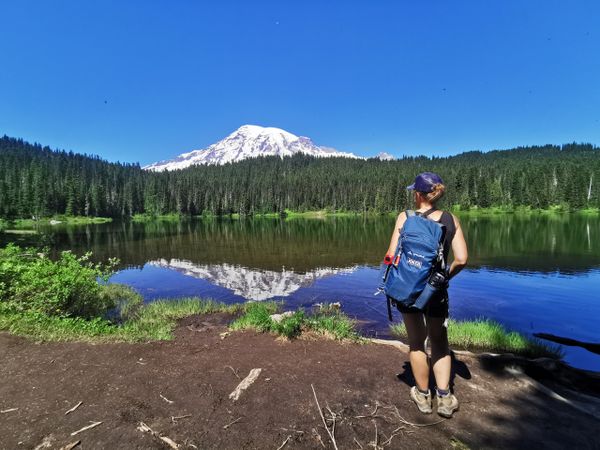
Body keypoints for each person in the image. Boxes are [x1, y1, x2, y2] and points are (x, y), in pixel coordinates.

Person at [384, 172, 468, 418]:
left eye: (414, 191)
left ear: (418, 194)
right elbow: (462, 259)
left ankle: (422, 395)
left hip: (407, 289)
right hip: (436, 291)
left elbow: (390, 255)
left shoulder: (405, 217)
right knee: (439, 342)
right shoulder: (451, 220)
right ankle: (444, 398)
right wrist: (443, 278)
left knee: (416, 341)